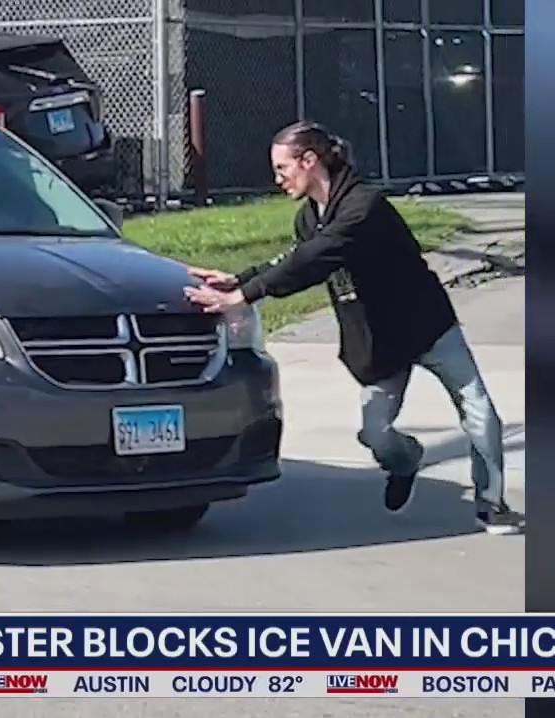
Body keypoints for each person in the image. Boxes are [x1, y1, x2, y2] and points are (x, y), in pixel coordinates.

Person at [183, 120, 521, 535]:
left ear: (309, 161)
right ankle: (406, 461)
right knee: (375, 434)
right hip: (379, 341)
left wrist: (244, 297)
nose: (277, 179)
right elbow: (296, 258)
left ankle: (492, 503)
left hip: (428, 326)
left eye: (282, 168)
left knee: (480, 411)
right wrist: (239, 279)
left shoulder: (364, 207)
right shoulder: (309, 218)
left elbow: (316, 259)